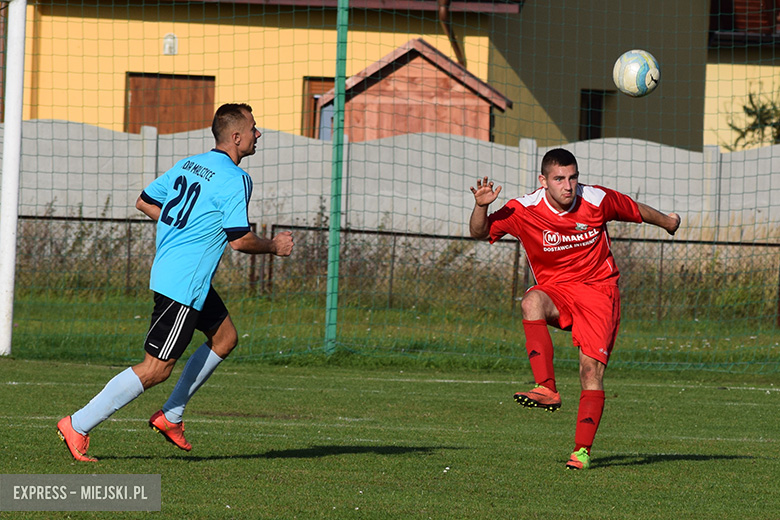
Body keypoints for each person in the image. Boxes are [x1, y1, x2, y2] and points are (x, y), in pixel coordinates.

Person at [57, 103, 294, 462]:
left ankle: (171, 415)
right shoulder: (235, 178)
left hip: (179, 274)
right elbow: (239, 240)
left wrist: (182, 228)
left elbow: (145, 201)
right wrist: (275, 246)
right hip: (184, 284)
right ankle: (78, 424)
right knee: (156, 368)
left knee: (225, 338)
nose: (257, 135)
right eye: (253, 129)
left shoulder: (189, 164)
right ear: (236, 137)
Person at [469, 148, 680, 470]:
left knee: (589, 372)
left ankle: (581, 451)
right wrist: (481, 207)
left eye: (572, 178)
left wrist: (668, 221)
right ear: (544, 181)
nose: (568, 186)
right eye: (559, 179)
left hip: (599, 294)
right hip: (558, 292)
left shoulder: (596, 199)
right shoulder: (523, 209)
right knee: (531, 301)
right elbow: (478, 232)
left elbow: (635, 210)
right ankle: (547, 387)